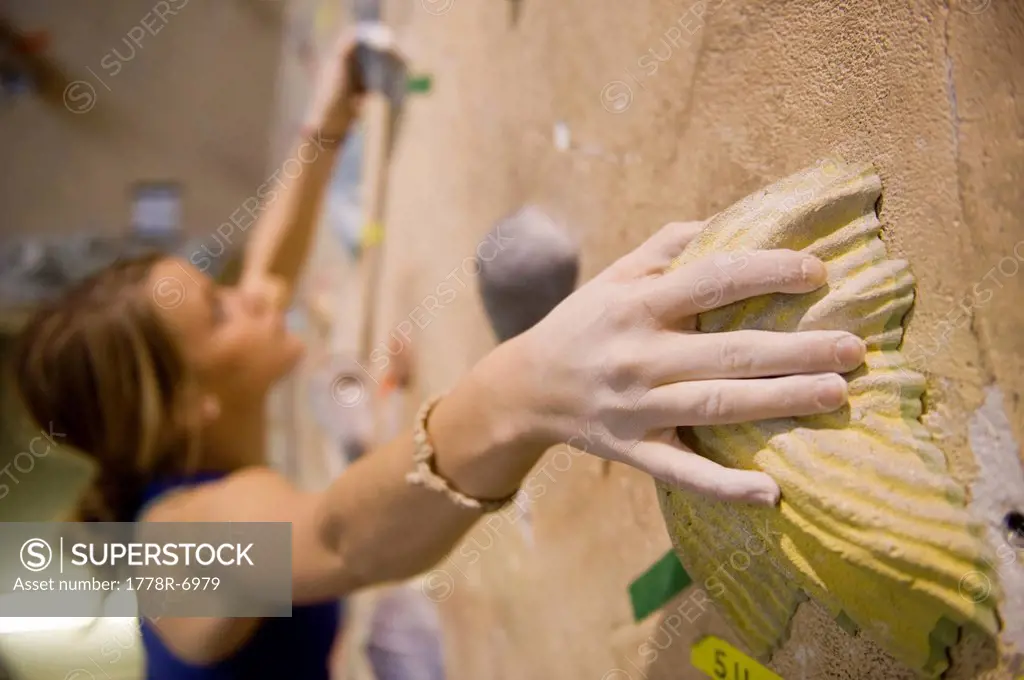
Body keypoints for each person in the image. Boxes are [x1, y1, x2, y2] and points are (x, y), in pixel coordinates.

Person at [8, 32, 866, 680]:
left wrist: (328, 119)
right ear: (193, 401)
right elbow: (342, 541)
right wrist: (524, 390)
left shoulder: (190, 436)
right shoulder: (173, 549)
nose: (254, 295)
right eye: (221, 312)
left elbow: (267, 265)